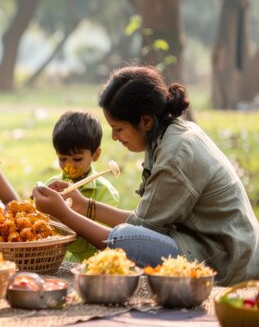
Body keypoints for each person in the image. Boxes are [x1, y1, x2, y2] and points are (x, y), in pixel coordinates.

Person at [33, 65, 259, 286]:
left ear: (146, 122)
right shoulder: (170, 134)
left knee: (123, 239)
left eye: (119, 128)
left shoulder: (176, 156)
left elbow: (134, 237)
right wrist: (84, 206)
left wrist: (63, 213)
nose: (113, 137)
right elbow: (143, 220)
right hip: (204, 242)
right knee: (127, 235)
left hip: (227, 260)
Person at [45, 110, 119, 262]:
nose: (69, 165)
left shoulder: (106, 193)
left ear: (95, 155)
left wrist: (68, 224)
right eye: (62, 158)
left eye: (77, 159)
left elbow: (102, 247)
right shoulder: (52, 187)